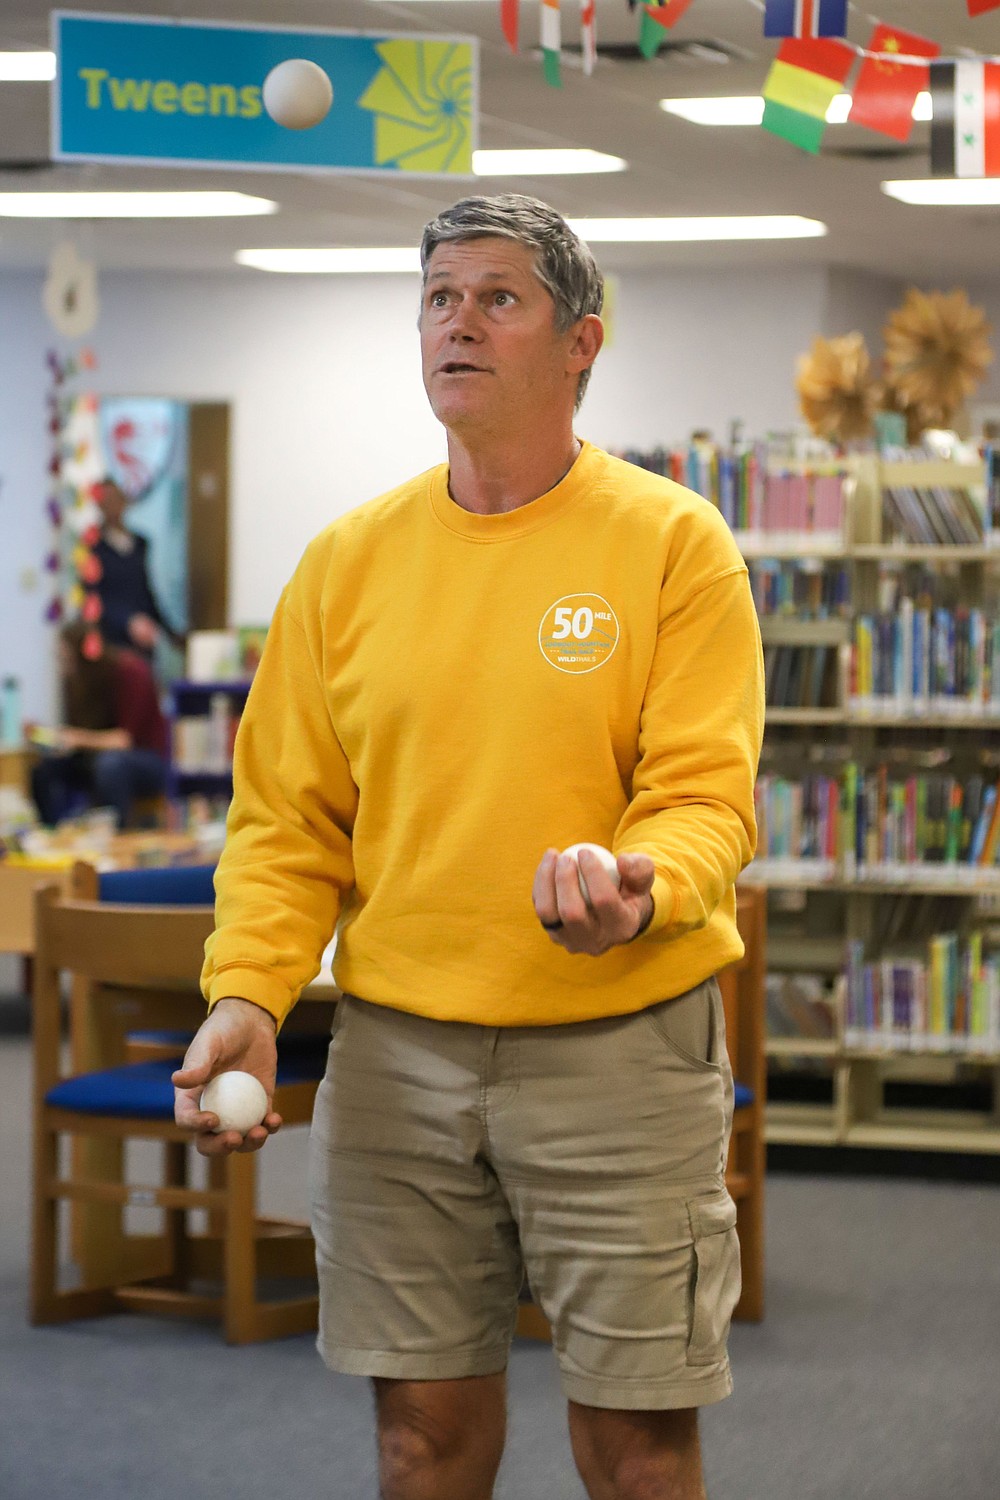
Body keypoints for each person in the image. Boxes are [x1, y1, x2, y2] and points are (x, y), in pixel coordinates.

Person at [173, 194, 764, 1500]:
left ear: (580, 344)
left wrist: (640, 883)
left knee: (638, 1448)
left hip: (622, 1048)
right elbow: (283, 825)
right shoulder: (344, 565)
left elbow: (708, 799)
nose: (458, 322)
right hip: (399, 1053)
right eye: (438, 298)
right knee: (419, 1442)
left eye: (498, 298)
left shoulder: (675, 545)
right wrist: (247, 996)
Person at [30, 620, 168, 830]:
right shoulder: (75, 681)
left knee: (110, 765)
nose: (63, 665)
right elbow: (77, 738)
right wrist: (47, 737)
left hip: (145, 760)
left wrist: (77, 738)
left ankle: (116, 834)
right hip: (96, 759)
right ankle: (52, 832)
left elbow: (124, 741)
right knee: (44, 770)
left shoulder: (131, 671)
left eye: (67, 658)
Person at [91, 476, 184, 658]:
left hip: (142, 643)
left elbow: (146, 591)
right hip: (112, 643)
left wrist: (169, 631)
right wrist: (128, 622)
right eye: (106, 501)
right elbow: (95, 599)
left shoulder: (140, 544)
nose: (112, 506)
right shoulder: (93, 548)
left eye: (116, 499)